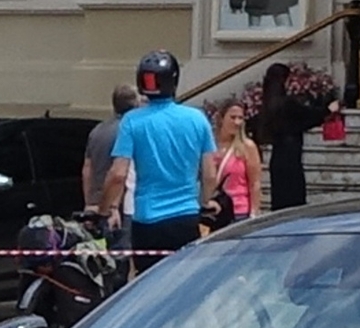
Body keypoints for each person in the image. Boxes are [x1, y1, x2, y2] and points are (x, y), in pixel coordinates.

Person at [103, 50, 218, 260]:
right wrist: (204, 201)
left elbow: (118, 175)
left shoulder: (132, 121)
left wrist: (105, 209)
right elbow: (210, 174)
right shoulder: (197, 118)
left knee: (150, 283)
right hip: (186, 215)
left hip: (148, 219)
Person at [249, 65, 330, 212]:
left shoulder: (267, 104)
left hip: (277, 156)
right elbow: (310, 117)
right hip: (291, 156)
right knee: (294, 200)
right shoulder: (287, 104)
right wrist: (328, 110)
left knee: (279, 200)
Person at [203, 100, 262, 226]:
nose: (237, 122)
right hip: (213, 209)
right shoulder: (209, 145)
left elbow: (254, 183)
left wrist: (254, 213)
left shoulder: (247, 146)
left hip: (239, 211)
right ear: (221, 119)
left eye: (240, 118)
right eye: (233, 117)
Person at [84, 83, 137, 213]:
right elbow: (120, 174)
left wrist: (90, 202)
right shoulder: (129, 131)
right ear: (136, 105)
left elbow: (87, 169)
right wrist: (113, 206)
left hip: (96, 202)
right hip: (118, 205)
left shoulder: (97, 130)